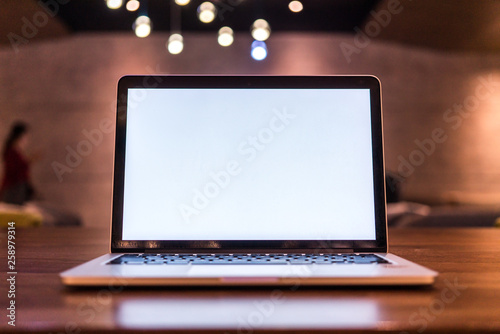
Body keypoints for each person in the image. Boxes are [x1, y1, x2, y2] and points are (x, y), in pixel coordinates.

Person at [0, 122, 36, 205]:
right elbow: (14, 169)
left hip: (17, 185)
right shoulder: (11, 151)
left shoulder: (14, 150)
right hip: (14, 186)